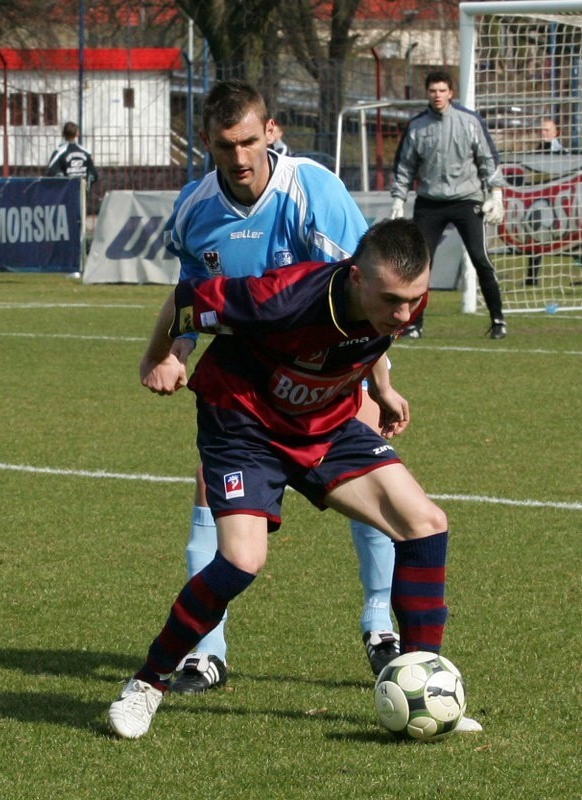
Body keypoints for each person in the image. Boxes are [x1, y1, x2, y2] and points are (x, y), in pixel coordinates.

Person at [108, 218, 483, 739]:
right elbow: (185, 297)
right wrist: (159, 357)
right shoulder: (279, 299)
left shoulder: (402, 299)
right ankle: (147, 684)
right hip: (244, 425)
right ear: (355, 278)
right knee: (243, 560)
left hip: (324, 422)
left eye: (413, 299)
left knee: (425, 523)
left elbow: (372, 340)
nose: (404, 312)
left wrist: (384, 389)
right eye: (392, 300)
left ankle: (424, 685)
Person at [144, 80, 399, 697]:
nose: (240, 157)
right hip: (243, 387)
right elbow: (191, 298)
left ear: (272, 132)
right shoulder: (194, 208)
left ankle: (379, 629)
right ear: (206, 142)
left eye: (250, 141)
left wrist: (382, 385)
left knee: (375, 489)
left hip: (327, 369)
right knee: (211, 497)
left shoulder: (313, 190)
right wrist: (176, 354)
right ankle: (207, 654)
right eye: (226, 145)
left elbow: (365, 297)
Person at [390, 70, 507, 340]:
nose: (437, 95)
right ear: (427, 93)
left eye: (442, 90)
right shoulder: (417, 126)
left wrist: (496, 194)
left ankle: (498, 319)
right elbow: (405, 166)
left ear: (451, 93)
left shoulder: (469, 121)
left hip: (467, 200)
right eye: (433, 91)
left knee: (480, 258)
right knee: (419, 266)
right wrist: (399, 199)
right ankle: (414, 324)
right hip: (430, 202)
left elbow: (487, 159)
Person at [525, 119, 567, 286]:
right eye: (542, 130)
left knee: (572, 237)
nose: (544, 133)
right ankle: (532, 278)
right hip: (541, 202)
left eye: (548, 130)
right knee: (536, 237)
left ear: (556, 133)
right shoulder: (536, 152)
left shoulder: (563, 153)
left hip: (560, 203)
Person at [46, 121, 98, 188]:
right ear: (77, 133)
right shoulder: (86, 153)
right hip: (82, 194)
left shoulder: (59, 152)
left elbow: (51, 172)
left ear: (63, 134)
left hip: (65, 193)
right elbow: (94, 175)